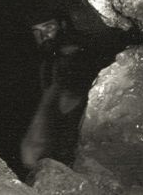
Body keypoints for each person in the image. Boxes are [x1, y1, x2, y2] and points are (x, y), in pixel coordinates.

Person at [19, 12, 95, 174]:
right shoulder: (48, 61)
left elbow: (66, 104)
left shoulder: (74, 57)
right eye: (36, 31)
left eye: (49, 27)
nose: (43, 35)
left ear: (63, 25)